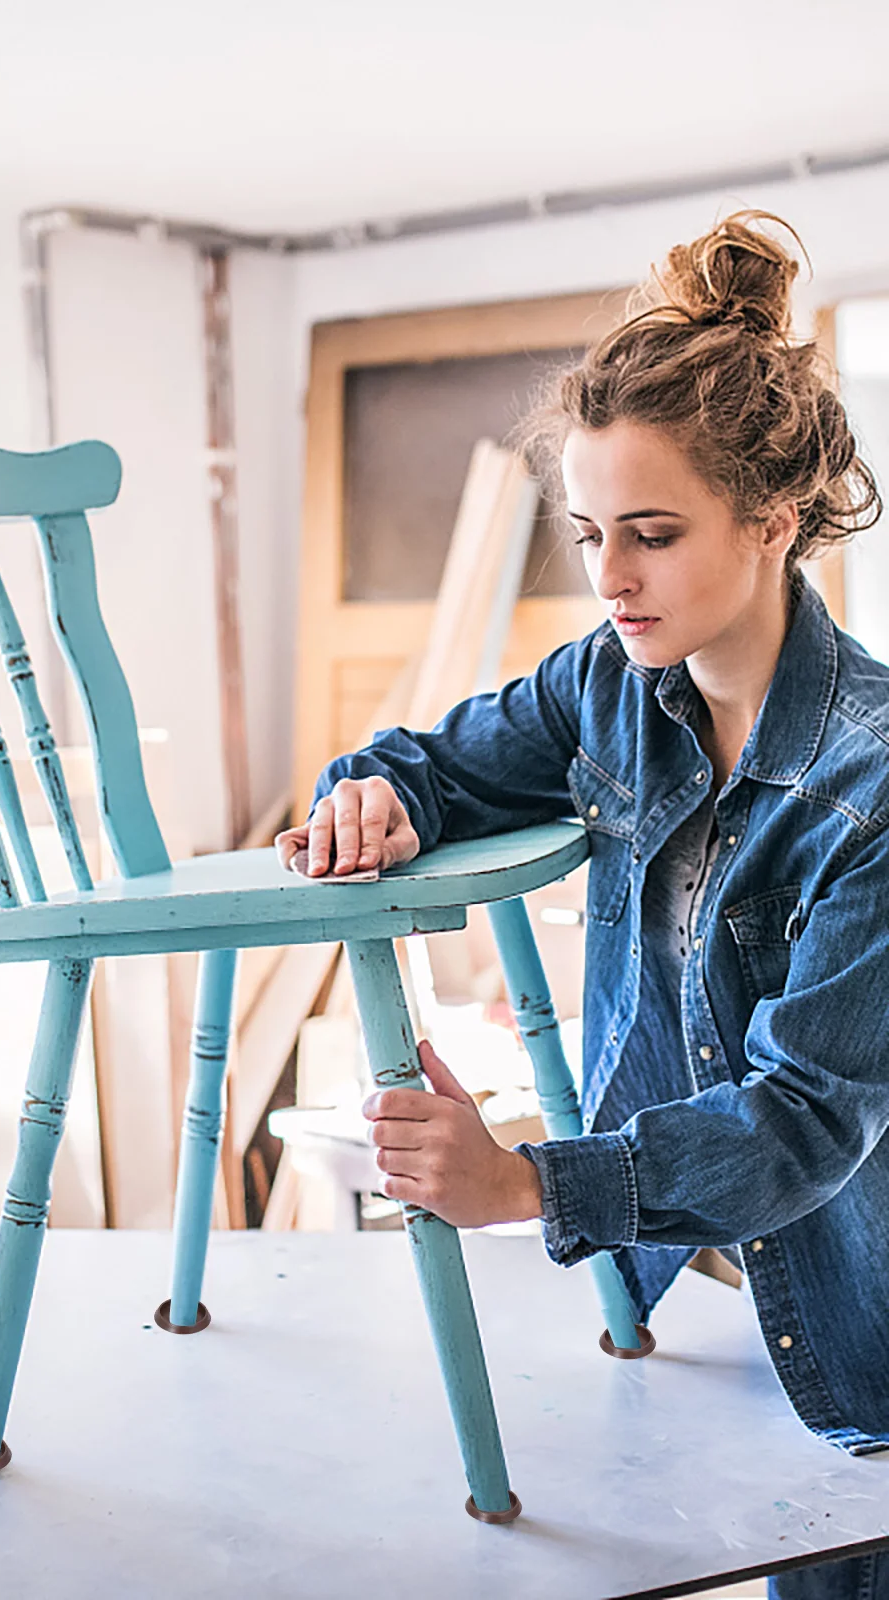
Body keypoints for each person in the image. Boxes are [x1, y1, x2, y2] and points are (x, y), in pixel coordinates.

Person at [276, 212, 888, 1600]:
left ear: (775, 519)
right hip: (687, 1291)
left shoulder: (874, 791)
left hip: (863, 1314)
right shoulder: (605, 683)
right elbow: (430, 760)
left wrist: (521, 1181)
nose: (609, 579)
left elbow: (801, 1129)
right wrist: (375, 795)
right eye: (591, 533)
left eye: (654, 537)